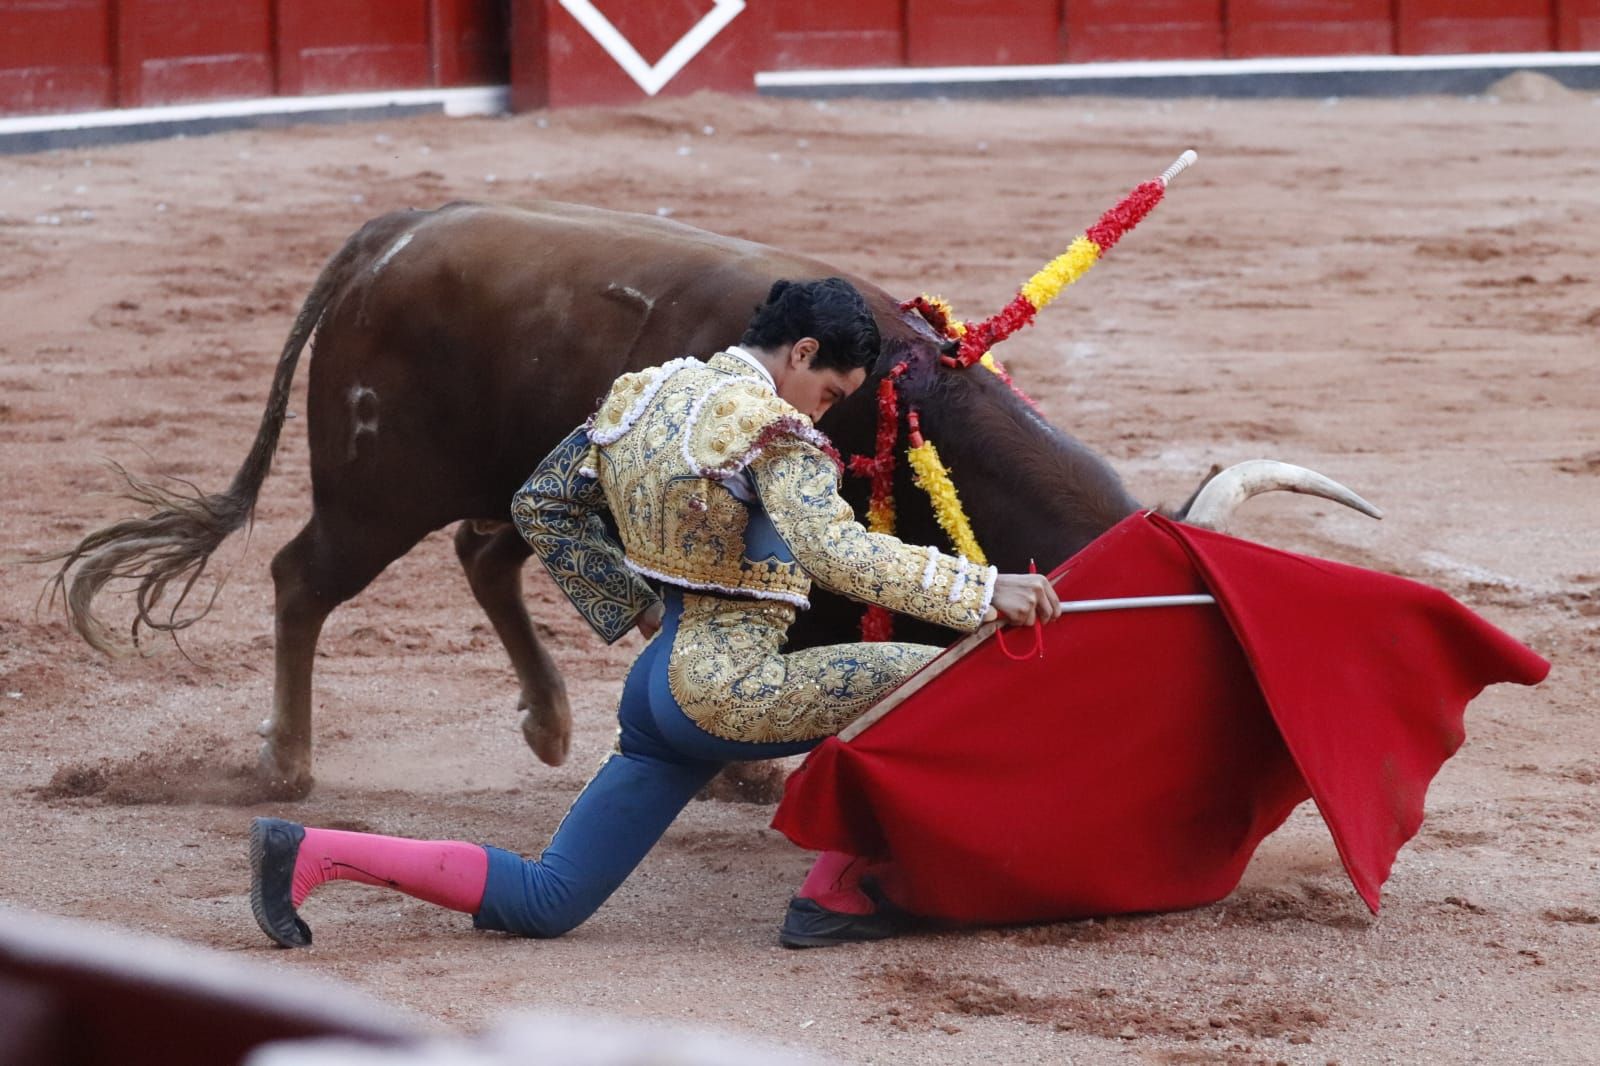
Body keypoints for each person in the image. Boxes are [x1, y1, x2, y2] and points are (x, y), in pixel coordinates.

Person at [249, 277, 1060, 950]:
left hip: (657, 696)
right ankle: (838, 895)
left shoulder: (645, 396)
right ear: (803, 352)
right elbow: (833, 550)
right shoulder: (773, 431)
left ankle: (310, 852)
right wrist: (980, 592)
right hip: (731, 689)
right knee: (949, 681)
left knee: (548, 900)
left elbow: (542, 507)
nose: (820, 412)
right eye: (829, 392)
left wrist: (632, 603)